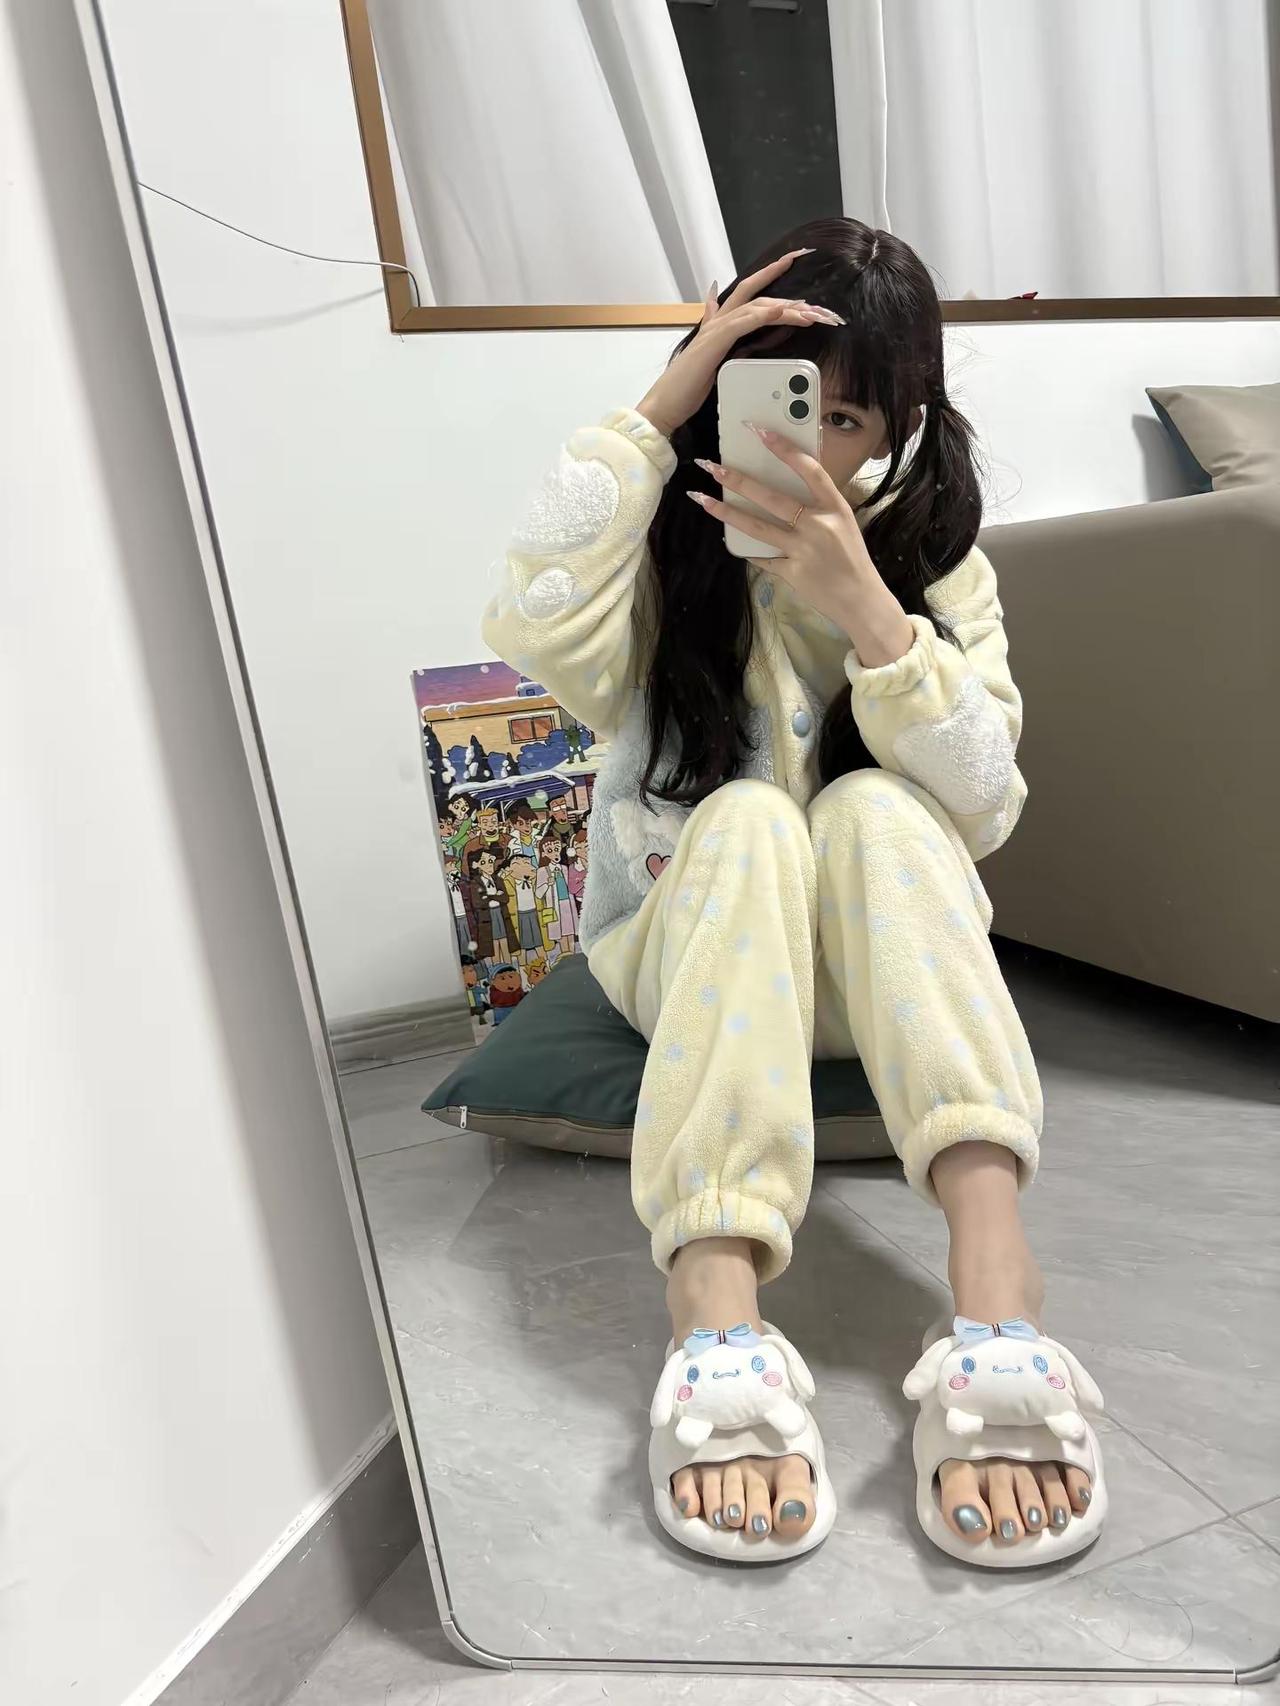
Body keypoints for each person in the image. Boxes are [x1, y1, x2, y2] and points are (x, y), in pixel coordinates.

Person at [482, 217, 1102, 1567]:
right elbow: (530, 620)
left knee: (877, 810)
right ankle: (714, 1301)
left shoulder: (936, 560)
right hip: (690, 948)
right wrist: (660, 408)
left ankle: (997, 1279)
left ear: (893, 429)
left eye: (849, 413)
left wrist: (868, 608)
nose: (809, 435)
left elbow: (986, 803)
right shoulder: (663, 548)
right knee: (754, 818)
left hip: (872, 970)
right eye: (777, 387)